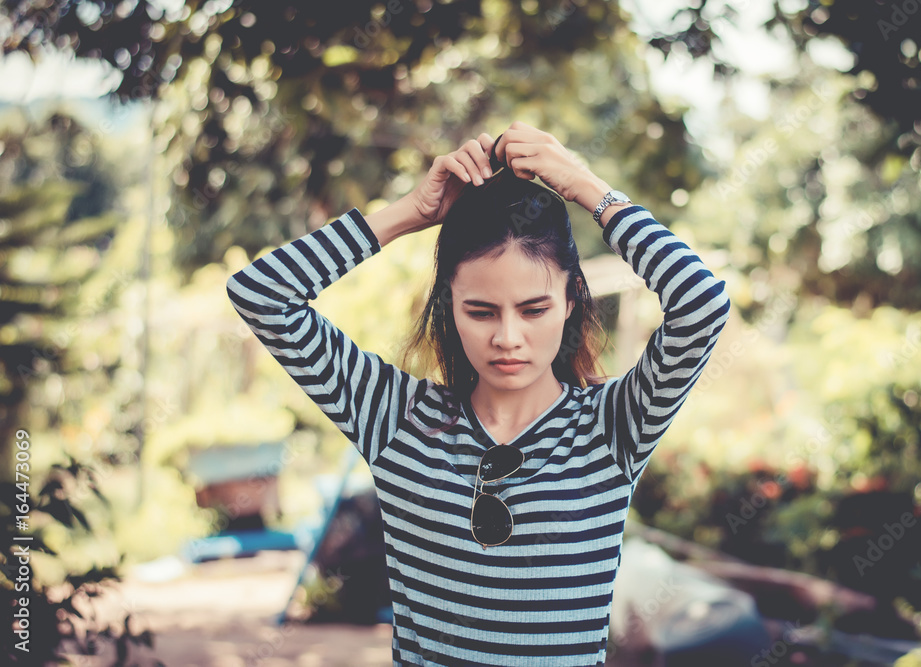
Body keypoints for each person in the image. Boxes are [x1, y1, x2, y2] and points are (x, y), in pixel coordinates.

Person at [227, 122, 731, 666]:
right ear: (449, 306)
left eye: (533, 309)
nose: (507, 338)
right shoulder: (397, 420)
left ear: (570, 302)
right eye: (481, 310)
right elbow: (261, 294)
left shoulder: (611, 430)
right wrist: (412, 212)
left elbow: (701, 304)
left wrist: (587, 188)